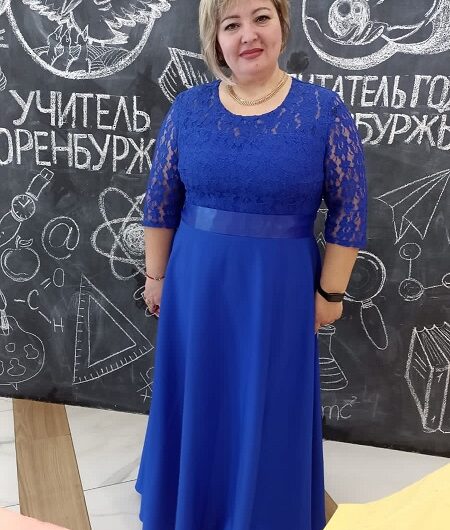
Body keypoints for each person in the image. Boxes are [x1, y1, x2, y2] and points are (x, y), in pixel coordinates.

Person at [136, 0, 367, 529]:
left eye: (260, 17)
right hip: (196, 284)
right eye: (231, 24)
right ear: (215, 39)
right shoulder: (188, 108)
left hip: (279, 289)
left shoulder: (324, 111)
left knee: (269, 400)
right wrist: (156, 277)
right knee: (198, 395)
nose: (248, 35)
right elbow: (160, 202)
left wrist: (330, 294)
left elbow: (350, 210)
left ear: (282, 25)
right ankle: (189, 505)